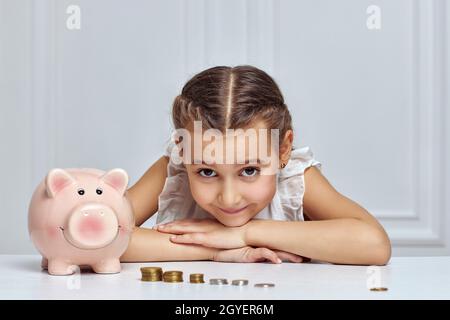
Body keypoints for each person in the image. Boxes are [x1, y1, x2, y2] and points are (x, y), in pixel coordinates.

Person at [120, 65, 391, 265]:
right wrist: (215, 249)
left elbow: (374, 244)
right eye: (206, 171)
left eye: (249, 171)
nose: (229, 197)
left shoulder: (294, 178)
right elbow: (101, 237)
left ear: (283, 150)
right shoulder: (174, 171)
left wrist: (247, 233)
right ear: (183, 150)